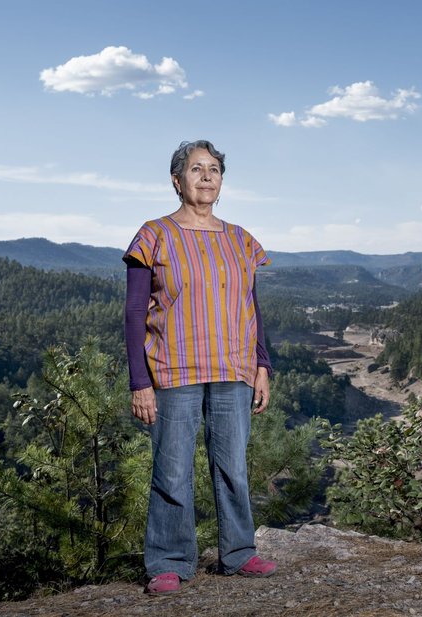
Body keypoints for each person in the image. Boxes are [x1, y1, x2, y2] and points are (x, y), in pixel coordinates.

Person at [124, 140, 277, 595]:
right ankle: (168, 561)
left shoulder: (240, 239)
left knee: (232, 466)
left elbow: (251, 305)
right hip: (172, 371)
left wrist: (262, 364)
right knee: (171, 471)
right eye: (196, 169)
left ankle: (239, 553)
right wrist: (139, 382)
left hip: (233, 368)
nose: (207, 177)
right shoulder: (154, 234)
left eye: (214, 169)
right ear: (177, 181)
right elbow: (134, 312)